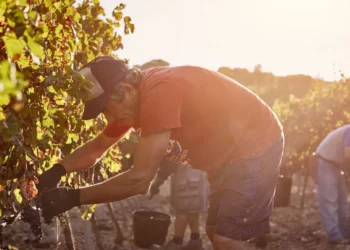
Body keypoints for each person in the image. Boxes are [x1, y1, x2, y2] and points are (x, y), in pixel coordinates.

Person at [38, 55, 284, 250]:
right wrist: (57, 170)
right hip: (225, 159)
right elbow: (98, 147)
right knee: (215, 232)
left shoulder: (158, 95)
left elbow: (139, 179)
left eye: (107, 110)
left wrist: (72, 198)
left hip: (254, 148)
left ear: (127, 90)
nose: (109, 118)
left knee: (228, 240)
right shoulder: (131, 100)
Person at [149, 161, 208, 250]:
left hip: (184, 182)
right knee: (193, 211)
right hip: (198, 180)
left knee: (181, 212)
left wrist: (157, 183)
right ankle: (195, 241)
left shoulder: (178, 147)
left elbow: (168, 165)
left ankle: (177, 243)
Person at [314, 125, 350, 245]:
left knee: (342, 202)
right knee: (329, 202)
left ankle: (346, 234)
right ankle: (334, 237)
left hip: (335, 165)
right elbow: (348, 153)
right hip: (325, 162)